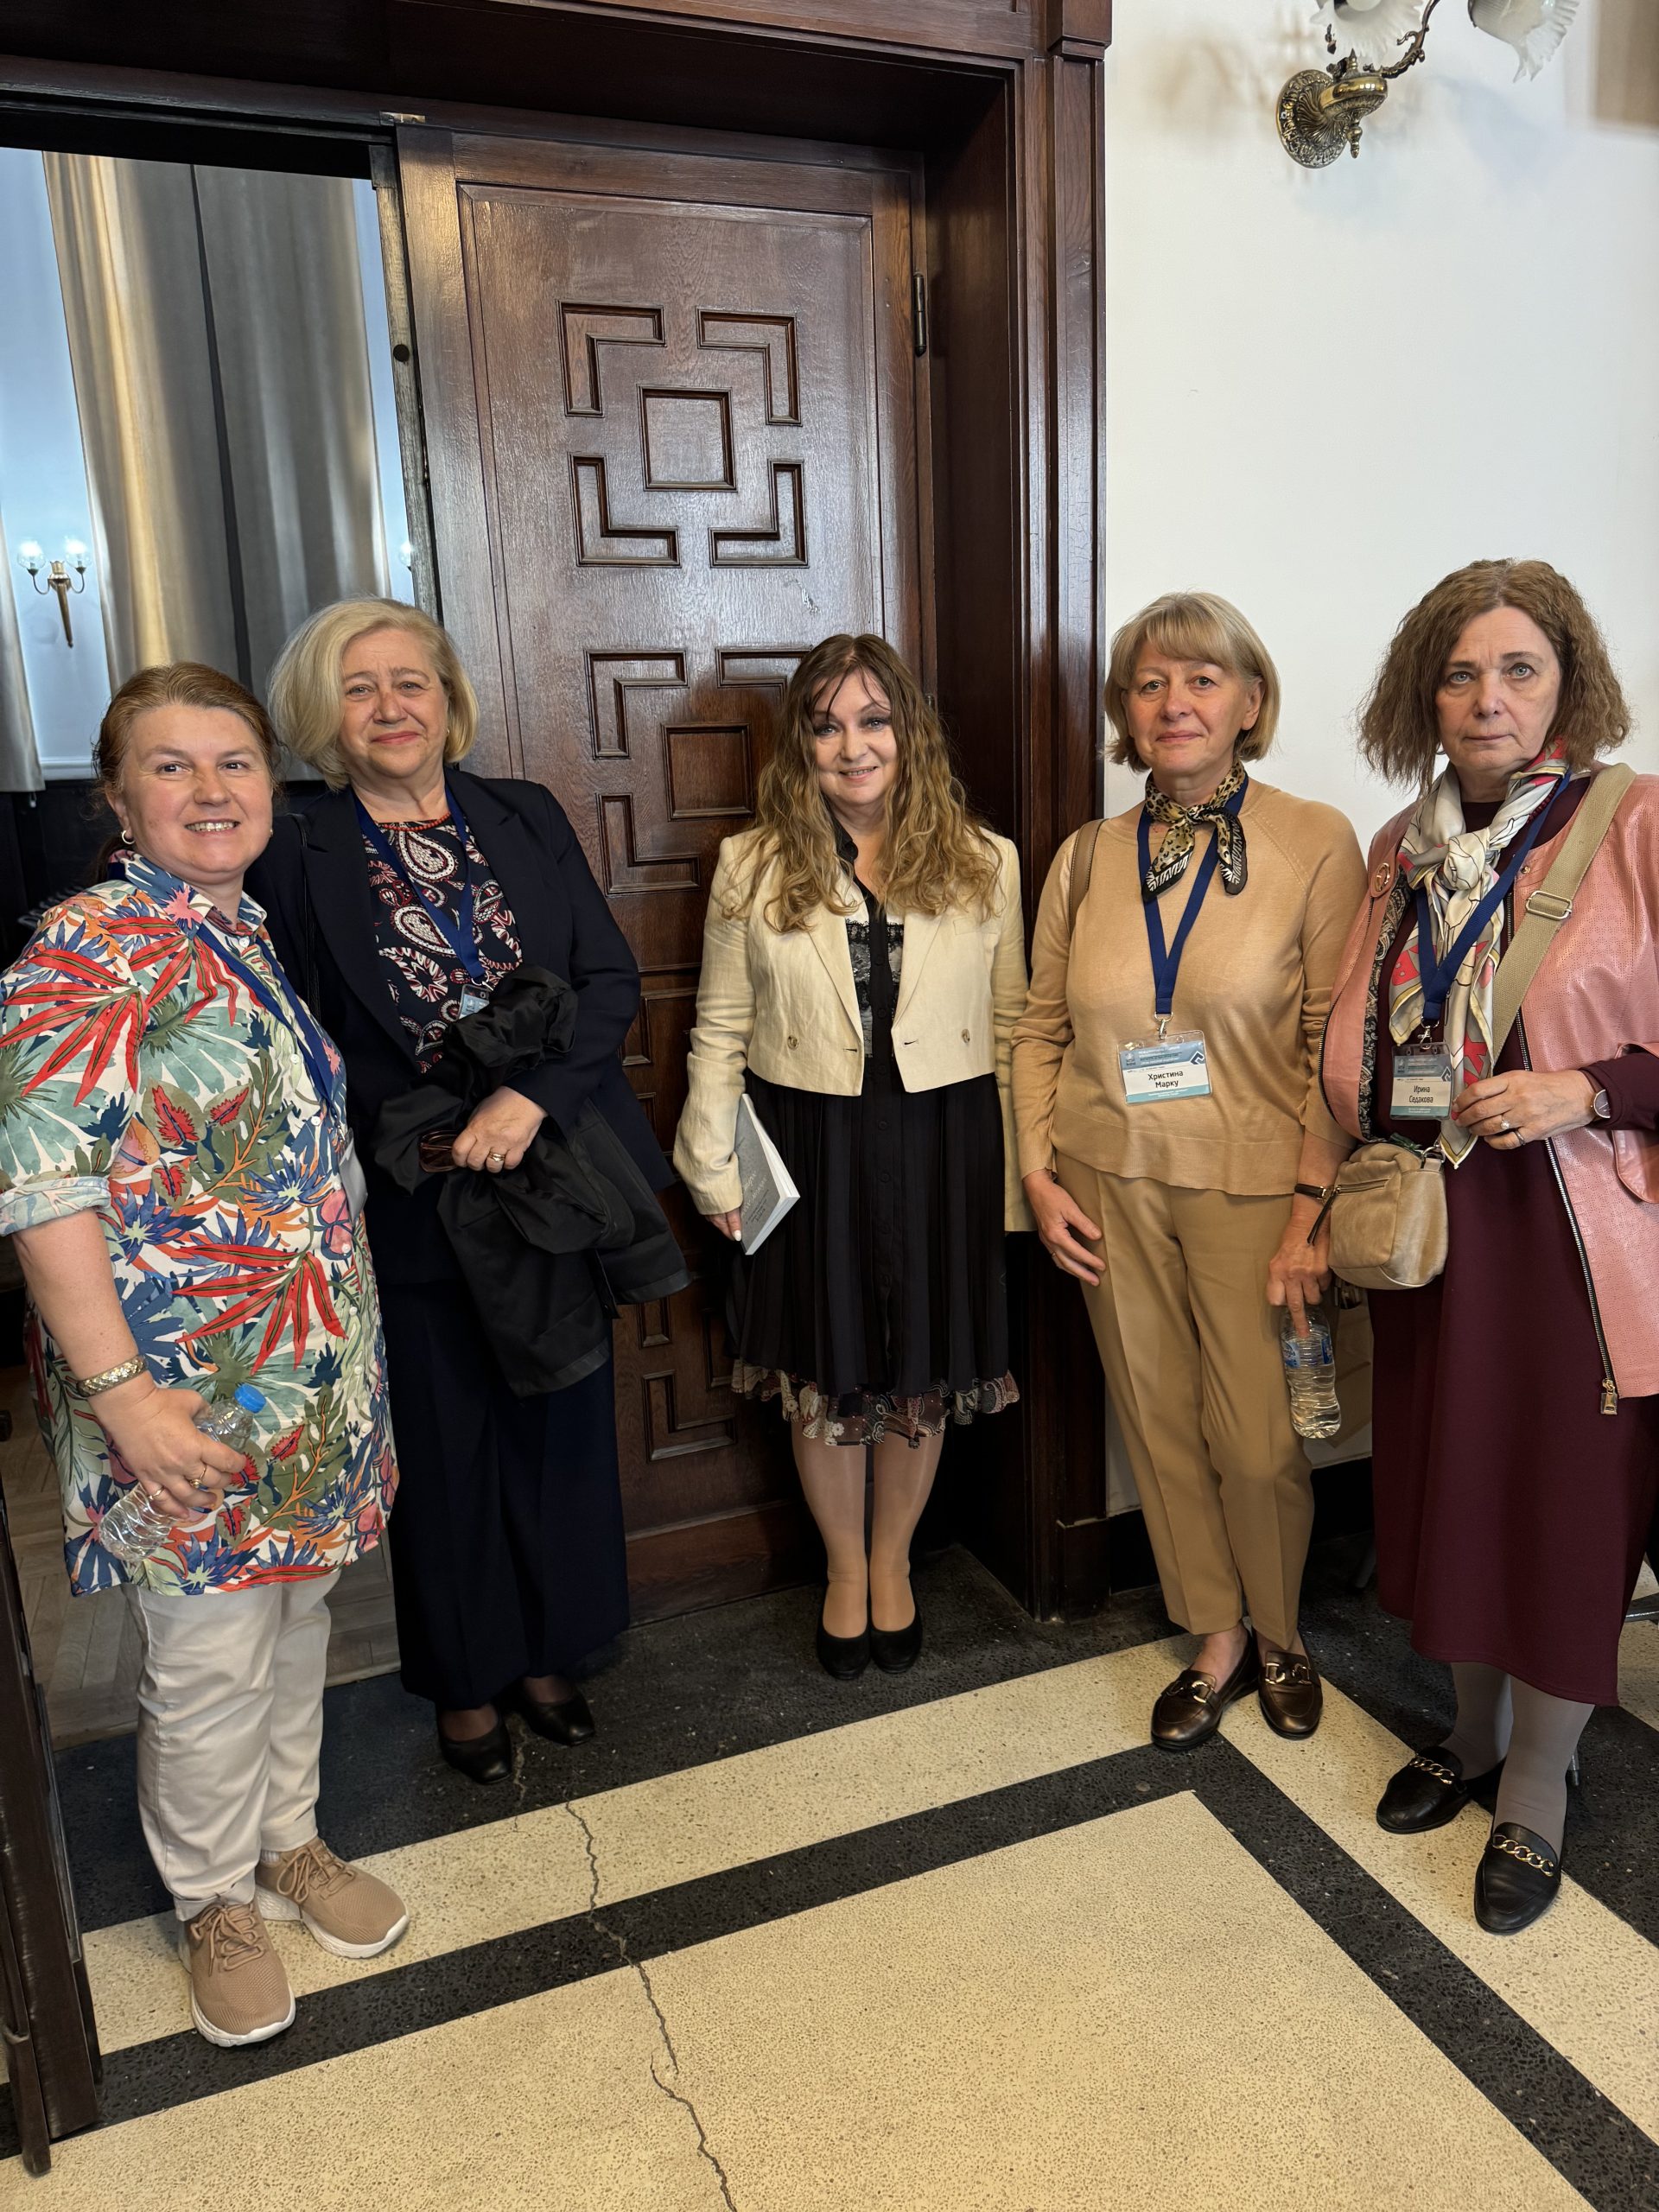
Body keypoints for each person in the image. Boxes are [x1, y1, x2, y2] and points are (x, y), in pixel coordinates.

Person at [0, 664, 404, 2050]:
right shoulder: (87, 948)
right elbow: (42, 1191)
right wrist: (127, 1404)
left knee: (296, 1620)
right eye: (172, 767)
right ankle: (213, 1898)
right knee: (209, 1654)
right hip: (179, 1390)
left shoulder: (240, 928)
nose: (212, 790)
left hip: (304, 1378)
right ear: (118, 799)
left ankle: (289, 1840)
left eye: (235, 763)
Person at [250, 599, 674, 1784]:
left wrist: (528, 1099)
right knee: (445, 1442)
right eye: (360, 688)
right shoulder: (294, 845)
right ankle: (469, 1679)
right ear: (324, 714)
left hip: (550, 1167)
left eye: (412, 681)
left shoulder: (523, 813)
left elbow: (605, 978)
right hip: (415, 1189)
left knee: (561, 1421)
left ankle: (551, 1653)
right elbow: (295, 1032)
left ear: (448, 697)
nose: (391, 707)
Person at [1322, 557, 1659, 1934]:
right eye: (1460, 674)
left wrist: (1588, 1090)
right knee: (1443, 1488)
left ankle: (1537, 1783)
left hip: (1571, 1239)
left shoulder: (1634, 825)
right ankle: (1468, 1737)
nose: (1487, 699)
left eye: (1519, 669)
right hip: (1433, 1226)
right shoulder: (1399, 851)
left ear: (1567, 687)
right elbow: (1357, 1032)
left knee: (1559, 1510)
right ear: (1426, 697)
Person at [1013, 593, 1367, 1750]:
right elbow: (1039, 1025)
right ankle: (1214, 1635)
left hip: (1256, 1183)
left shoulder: (1315, 841)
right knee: (1158, 1421)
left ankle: (1282, 1632)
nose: (1175, 703)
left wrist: (1313, 1209)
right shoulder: (1088, 856)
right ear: (1127, 711)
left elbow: (1330, 1038)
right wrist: (1037, 1174)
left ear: (1250, 702)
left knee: (1258, 1439)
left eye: (1203, 679)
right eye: (1151, 683)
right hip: (1104, 1176)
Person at [673, 635, 1027, 1678]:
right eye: (826, 726)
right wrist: (712, 1165)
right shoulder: (752, 862)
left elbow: (1014, 1029)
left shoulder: (986, 858)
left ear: (909, 732)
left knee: (922, 1362)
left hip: (946, 1139)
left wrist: (1018, 1181)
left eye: (874, 720)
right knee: (824, 1367)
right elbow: (719, 1029)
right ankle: (840, 1569)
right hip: (806, 1143)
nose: (852, 746)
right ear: (802, 745)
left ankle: (893, 1561)